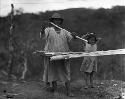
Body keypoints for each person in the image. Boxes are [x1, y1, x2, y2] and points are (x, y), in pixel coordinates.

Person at [41, 13, 76, 96]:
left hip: (64, 55)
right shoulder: (48, 30)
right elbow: (43, 37)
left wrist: (74, 36)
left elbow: (71, 39)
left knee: (66, 72)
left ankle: (68, 91)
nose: (57, 21)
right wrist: (42, 29)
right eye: (55, 20)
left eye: (58, 20)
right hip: (52, 55)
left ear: (61, 21)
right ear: (52, 21)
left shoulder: (64, 31)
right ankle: (55, 90)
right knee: (53, 72)